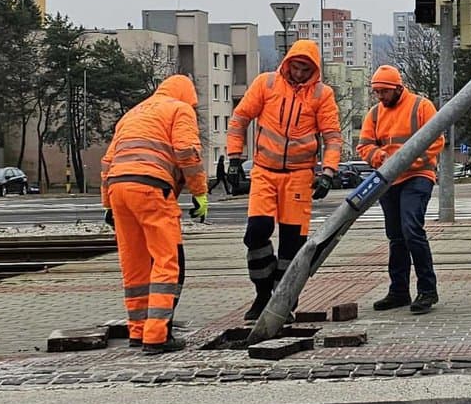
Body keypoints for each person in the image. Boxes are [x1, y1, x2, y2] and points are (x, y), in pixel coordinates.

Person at [226, 39, 343, 321]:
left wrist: (328, 173)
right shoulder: (266, 84)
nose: (300, 74)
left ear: (314, 70)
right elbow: (239, 119)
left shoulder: (321, 94)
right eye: (296, 67)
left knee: (291, 245)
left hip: (300, 176)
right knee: (256, 233)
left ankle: (284, 298)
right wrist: (233, 158)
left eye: (306, 69)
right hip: (265, 172)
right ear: (288, 63)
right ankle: (263, 292)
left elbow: (332, 137)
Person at [101, 73, 208, 354]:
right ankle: (157, 336)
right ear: (187, 96)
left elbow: (107, 161)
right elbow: (187, 152)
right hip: (150, 187)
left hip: (118, 187)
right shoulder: (179, 109)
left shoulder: (133, 113)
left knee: (134, 263)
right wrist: (199, 192)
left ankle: (137, 331)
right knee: (166, 259)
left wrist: (107, 205)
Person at [358, 65, 443, 314]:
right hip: (389, 180)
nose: (380, 96)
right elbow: (364, 145)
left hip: (418, 176)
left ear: (397, 88)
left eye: (384, 91)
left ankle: (427, 290)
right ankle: (399, 291)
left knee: (411, 230)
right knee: (396, 235)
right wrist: (379, 157)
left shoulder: (421, 106)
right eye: (376, 92)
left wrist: (407, 161)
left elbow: (437, 139)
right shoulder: (374, 114)